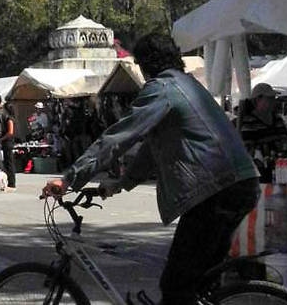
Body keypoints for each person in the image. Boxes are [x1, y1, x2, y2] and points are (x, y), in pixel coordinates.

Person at [42, 33, 260, 305]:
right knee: (198, 282)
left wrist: (69, 179)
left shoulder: (163, 88)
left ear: (144, 65)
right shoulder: (186, 84)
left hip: (216, 191)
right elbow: (152, 146)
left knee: (175, 286)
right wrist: (121, 182)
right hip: (240, 184)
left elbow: (119, 137)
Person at [236, 82, 287, 182]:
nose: (273, 101)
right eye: (269, 98)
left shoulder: (277, 119)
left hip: (282, 168)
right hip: (261, 171)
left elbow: (285, 139)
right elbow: (248, 149)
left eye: (273, 98)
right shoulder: (249, 122)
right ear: (257, 100)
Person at [0, 102, 17, 192]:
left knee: (9, 164)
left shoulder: (9, 119)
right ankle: (8, 183)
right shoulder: (7, 118)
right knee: (7, 163)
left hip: (8, 143)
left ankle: (12, 184)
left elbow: (10, 132)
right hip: (6, 143)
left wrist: (1, 139)